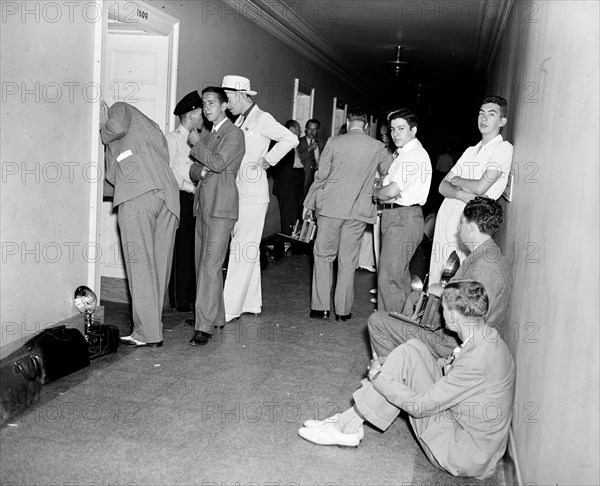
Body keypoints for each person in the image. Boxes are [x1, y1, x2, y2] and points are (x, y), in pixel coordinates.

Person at [298, 280, 516, 481]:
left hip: (461, 453)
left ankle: (347, 425)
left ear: (456, 316)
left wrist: (378, 378)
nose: (441, 313)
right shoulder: (486, 337)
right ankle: (352, 420)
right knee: (412, 349)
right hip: (475, 441)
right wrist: (392, 364)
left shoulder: (476, 359)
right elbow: (449, 371)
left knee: (396, 368)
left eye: (444, 308)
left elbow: (420, 407)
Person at [369, 196, 512, 359]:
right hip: (453, 333)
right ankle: (408, 360)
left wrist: (443, 292)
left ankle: (393, 374)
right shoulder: (486, 254)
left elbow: (471, 315)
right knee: (414, 298)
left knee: (377, 321)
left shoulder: (486, 267)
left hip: (450, 344)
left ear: (471, 227)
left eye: (462, 222)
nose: (458, 228)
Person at [99, 101, 179, 348]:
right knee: (158, 266)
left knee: (140, 265)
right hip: (168, 196)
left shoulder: (119, 108)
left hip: (138, 193)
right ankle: (153, 329)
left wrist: (100, 122)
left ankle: (146, 333)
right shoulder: (152, 126)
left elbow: (114, 128)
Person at [220, 75, 299, 322]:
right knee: (248, 250)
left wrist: (267, 161)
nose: (226, 103)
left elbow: (291, 139)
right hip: (239, 192)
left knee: (241, 248)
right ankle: (250, 303)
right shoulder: (241, 120)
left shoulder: (262, 118)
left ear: (242, 94)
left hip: (253, 195)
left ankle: (228, 309)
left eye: (228, 98)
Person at [304, 105, 392, 321]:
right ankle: (343, 311)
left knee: (324, 256)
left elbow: (321, 175)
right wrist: (375, 185)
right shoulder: (377, 146)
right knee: (348, 261)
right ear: (367, 124)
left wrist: (309, 202)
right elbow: (392, 171)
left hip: (330, 209)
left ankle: (320, 307)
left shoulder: (334, 142)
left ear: (348, 121)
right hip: (358, 212)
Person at [429, 95, 513, 285]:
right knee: (437, 273)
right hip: (446, 217)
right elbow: (442, 186)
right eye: (481, 114)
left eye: (491, 114)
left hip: (470, 221)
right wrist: (462, 193)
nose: (483, 119)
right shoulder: (470, 150)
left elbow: (481, 187)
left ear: (502, 121)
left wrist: (457, 181)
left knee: (458, 279)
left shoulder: (503, 149)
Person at [187, 87, 245, 346]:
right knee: (204, 264)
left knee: (210, 266)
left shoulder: (234, 133)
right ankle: (214, 316)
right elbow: (195, 169)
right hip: (203, 206)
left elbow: (218, 163)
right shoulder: (210, 136)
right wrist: (200, 170)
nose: (206, 107)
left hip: (221, 209)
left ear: (224, 105)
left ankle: (203, 326)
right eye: (204, 103)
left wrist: (198, 147)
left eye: (211, 102)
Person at [374, 109, 432, 312]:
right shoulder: (404, 155)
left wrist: (376, 191)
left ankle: (391, 333)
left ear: (413, 130)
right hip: (398, 216)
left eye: (401, 129)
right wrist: (384, 190)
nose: (395, 134)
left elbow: (391, 190)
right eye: (392, 130)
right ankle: (401, 326)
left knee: (389, 279)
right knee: (398, 277)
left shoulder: (413, 156)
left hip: (403, 218)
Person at [167, 90, 204, 313]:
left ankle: (191, 296)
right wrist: (193, 188)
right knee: (182, 248)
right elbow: (171, 172)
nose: (203, 118)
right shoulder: (173, 140)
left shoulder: (196, 141)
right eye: (201, 114)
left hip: (195, 198)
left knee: (193, 247)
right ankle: (179, 299)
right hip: (183, 197)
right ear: (191, 115)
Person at [271, 120, 303, 235]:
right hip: (286, 188)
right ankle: (287, 247)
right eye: (299, 129)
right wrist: (282, 180)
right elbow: (273, 165)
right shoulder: (282, 143)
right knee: (287, 219)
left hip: (294, 188)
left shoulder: (295, 144)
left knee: (293, 218)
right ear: (293, 129)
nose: (300, 132)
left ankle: (292, 243)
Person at [298, 118, 326, 197]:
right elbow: (299, 158)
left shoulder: (322, 143)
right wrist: (309, 148)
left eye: (314, 129)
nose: (311, 132)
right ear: (306, 129)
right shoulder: (298, 142)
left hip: (319, 175)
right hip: (304, 175)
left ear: (318, 131)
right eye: (309, 129)